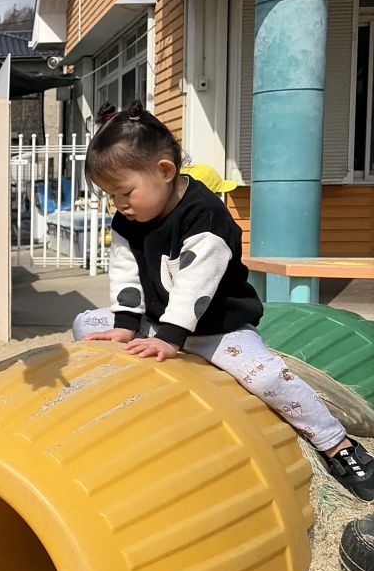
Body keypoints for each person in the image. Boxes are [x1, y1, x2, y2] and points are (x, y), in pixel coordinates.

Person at [73, 102, 374, 502]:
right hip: (159, 321)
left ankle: (338, 445)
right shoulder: (128, 220)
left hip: (214, 327)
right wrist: (126, 323)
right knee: (87, 324)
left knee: (266, 377)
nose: (118, 205)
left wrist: (170, 338)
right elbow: (126, 270)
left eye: (124, 192)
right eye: (110, 196)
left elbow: (196, 285)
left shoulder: (205, 216)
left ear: (164, 171)